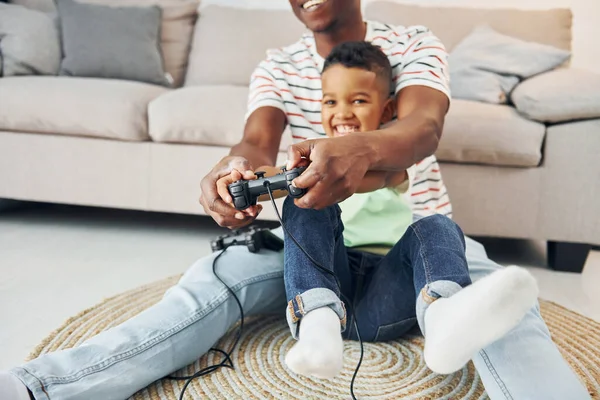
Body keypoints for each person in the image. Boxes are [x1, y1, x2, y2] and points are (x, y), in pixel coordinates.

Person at [0, 0, 590, 399]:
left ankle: (450, 319)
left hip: (412, 242)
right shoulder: (278, 66)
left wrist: (361, 151)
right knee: (206, 286)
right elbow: (256, 143)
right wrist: (233, 170)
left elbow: (423, 130)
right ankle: (37, 387)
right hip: (308, 243)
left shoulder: (412, 45)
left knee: (503, 301)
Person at [248, 40, 536, 379]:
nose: (342, 113)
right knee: (302, 202)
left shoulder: (394, 158)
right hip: (332, 279)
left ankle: (442, 320)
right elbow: (271, 179)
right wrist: (246, 181)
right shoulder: (308, 160)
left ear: (386, 112)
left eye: (358, 100)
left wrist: (314, 174)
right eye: (331, 101)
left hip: (386, 289)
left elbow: (370, 176)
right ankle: (316, 326)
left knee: (436, 225)